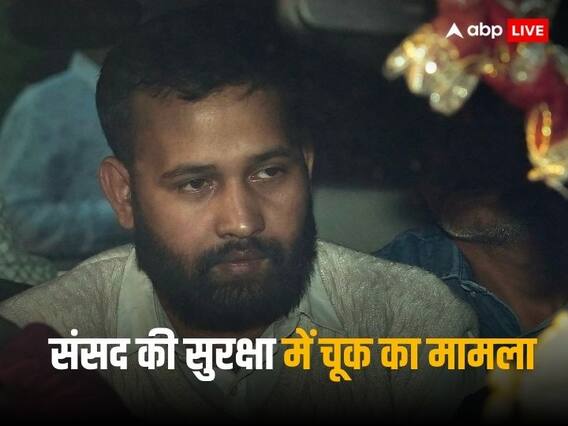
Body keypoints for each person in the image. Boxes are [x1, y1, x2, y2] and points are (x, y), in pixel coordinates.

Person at [0, 5, 481, 421]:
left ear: (306, 166)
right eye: (195, 183)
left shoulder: (413, 326)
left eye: (269, 173)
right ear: (123, 195)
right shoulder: (38, 343)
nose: (243, 221)